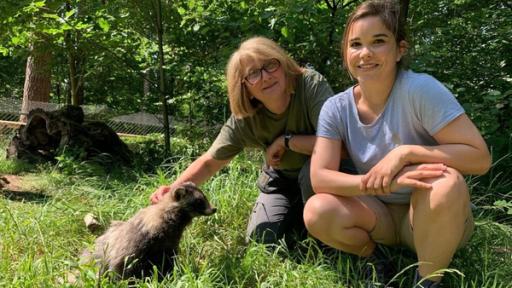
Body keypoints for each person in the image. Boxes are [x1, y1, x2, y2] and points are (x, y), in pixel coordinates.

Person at [302, 1, 491, 287]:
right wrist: (376, 182)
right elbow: (320, 178)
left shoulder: (420, 90)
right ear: (345, 53)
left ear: (400, 49)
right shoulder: (336, 108)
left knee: (446, 182)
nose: (365, 53)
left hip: (435, 213)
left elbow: (480, 158)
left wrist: (406, 153)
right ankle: (375, 258)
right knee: (317, 210)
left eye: (378, 41)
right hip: (380, 217)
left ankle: (429, 280)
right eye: (355, 44)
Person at [151, 36, 334, 247]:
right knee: (260, 241)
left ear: (283, 65)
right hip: (280, 180)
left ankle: (324, 237)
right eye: (253, 74)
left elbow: (337, 144)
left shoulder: (310, 85)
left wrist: (286, 141)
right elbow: (210, 161)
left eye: (270, 65)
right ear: (244, 85)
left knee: (311, 174)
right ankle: (300, 216)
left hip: (321, 173)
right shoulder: (244, 120)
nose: (265, 77)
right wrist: (172, 191)